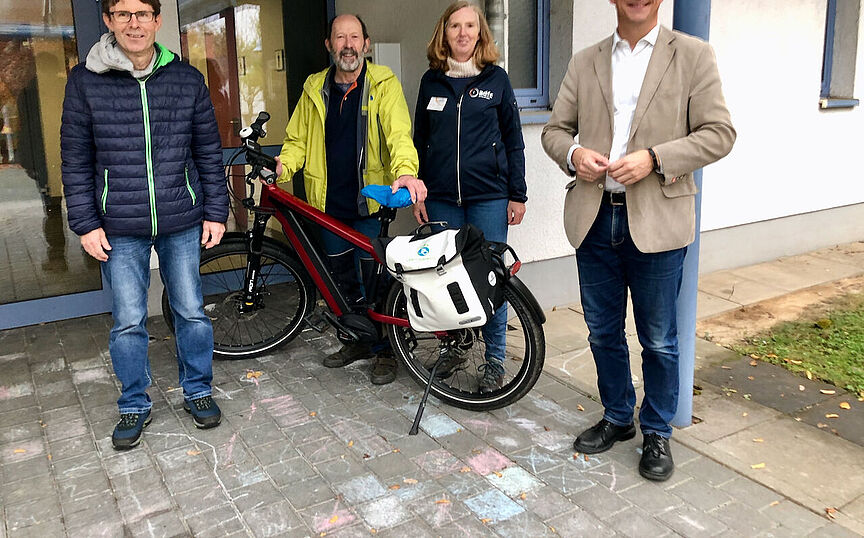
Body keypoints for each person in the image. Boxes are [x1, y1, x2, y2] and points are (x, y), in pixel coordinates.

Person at [541, 0, 735, 481]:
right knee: (602, 332)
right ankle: (617, 416)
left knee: (660, 340)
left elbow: (719, 134)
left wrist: (655, 158)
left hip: (658, 220)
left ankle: (657, 431)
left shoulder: (692, 55)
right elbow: (554, 131)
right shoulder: (585, 60)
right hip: (595, 217)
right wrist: (574, 154)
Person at [61, 0, 228, 450]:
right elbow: (75, 159)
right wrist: (85, 223)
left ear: (157, 20)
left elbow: (207, 151)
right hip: (118, 223)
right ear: (109, 20)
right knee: (129, 321)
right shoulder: (85, 81)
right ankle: (134, 401)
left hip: (181, 218)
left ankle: (198, 389)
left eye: (142, 14)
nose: (133, 24)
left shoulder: (186, 78)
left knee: (191, 311)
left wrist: (216, 211)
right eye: (123, 14)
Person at [274, 14, 426, 385]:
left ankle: (387, 349)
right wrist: (282, 167)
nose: (348, 45)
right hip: (329, 204)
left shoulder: (383, 84)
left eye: (354, 37)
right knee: (340, 280)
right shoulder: (315, 88)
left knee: (377, 282)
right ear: (329, 45)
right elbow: (296, 141)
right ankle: (358, 340)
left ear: (366, 44)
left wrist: (406, 171)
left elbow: (399, 135)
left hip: (369, 206)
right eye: (340, 37)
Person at [412, 2, 527, 394]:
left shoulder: (497, 80)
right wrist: (418, 190)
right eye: (455, 26)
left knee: (490, 277)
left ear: (480, 33)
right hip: (442, 197)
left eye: (470, 26)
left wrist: (518, 194)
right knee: (445, 277)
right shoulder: (431, 81)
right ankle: (457, 348)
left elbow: (514, 140)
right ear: (444, 33)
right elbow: (419, 142)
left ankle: (494, 360)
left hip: (489, 197)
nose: (462, 33)